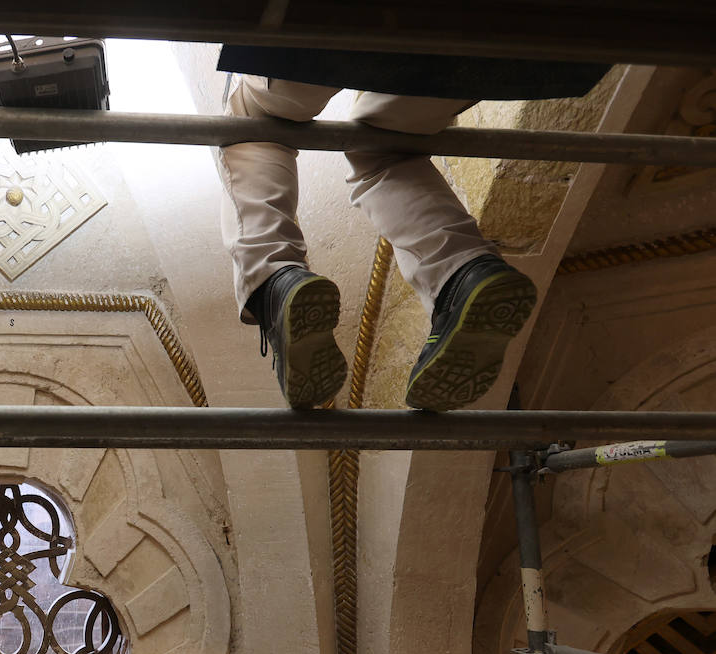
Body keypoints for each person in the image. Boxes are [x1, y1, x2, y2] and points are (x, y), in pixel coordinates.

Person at [216, 46, 609, 410]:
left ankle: (275, 278)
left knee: (253, 121)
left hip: (332, 21)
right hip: (498, 36)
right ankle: (462, 275)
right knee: (384, 147)